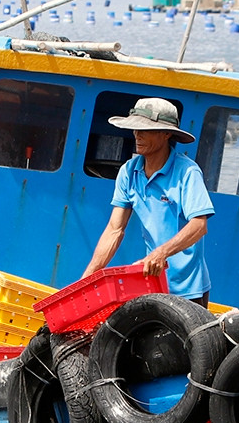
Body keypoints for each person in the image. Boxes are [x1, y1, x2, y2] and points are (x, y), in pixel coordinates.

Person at [82, 96, 214, 304]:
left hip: (188, 288)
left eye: (145, 130)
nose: (137, 135)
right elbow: (114, 230)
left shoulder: (187, 172)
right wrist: (88, 277)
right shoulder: (129, 171)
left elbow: (199, 225)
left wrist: (161, 253)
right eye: (135, 129)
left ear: (166, 134)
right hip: (153, 283)